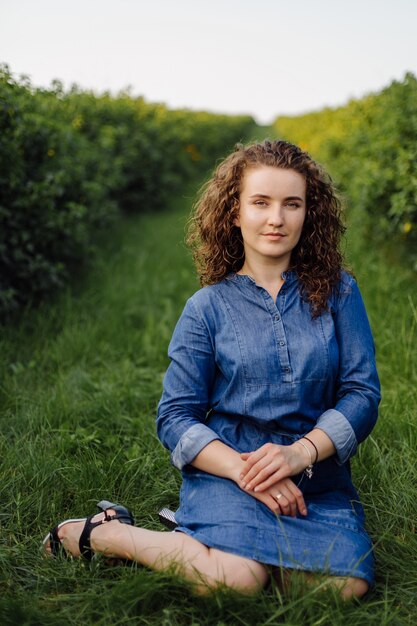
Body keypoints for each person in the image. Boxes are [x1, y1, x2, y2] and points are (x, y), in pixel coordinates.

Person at [43, 140, 380, 600]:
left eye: (292, 204)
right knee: (234, 582)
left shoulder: (340, 291)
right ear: (234, 213)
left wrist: (299, 454)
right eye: (260, 202)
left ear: (310, 214)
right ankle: (107, 534)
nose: (276, 218)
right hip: (229, 470)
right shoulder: (207, 308)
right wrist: (247, 473)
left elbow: (362, 393)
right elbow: (175, 416)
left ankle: (210, 547)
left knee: (346, 587)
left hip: (315, 476)